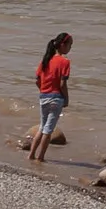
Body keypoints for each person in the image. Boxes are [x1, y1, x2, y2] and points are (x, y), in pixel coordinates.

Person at [28, 31, 72, 162]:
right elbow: (62, 83)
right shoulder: (65, 62)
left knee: (42, 127)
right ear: (62, 45)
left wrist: (44, 91)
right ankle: (41, 157)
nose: (70, 48)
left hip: (43, 96)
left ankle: (31, 155)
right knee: (48, 130)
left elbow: (37, 81)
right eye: (70, 45)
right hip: (56, 98)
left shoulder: (45, 60)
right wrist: (66, 99)